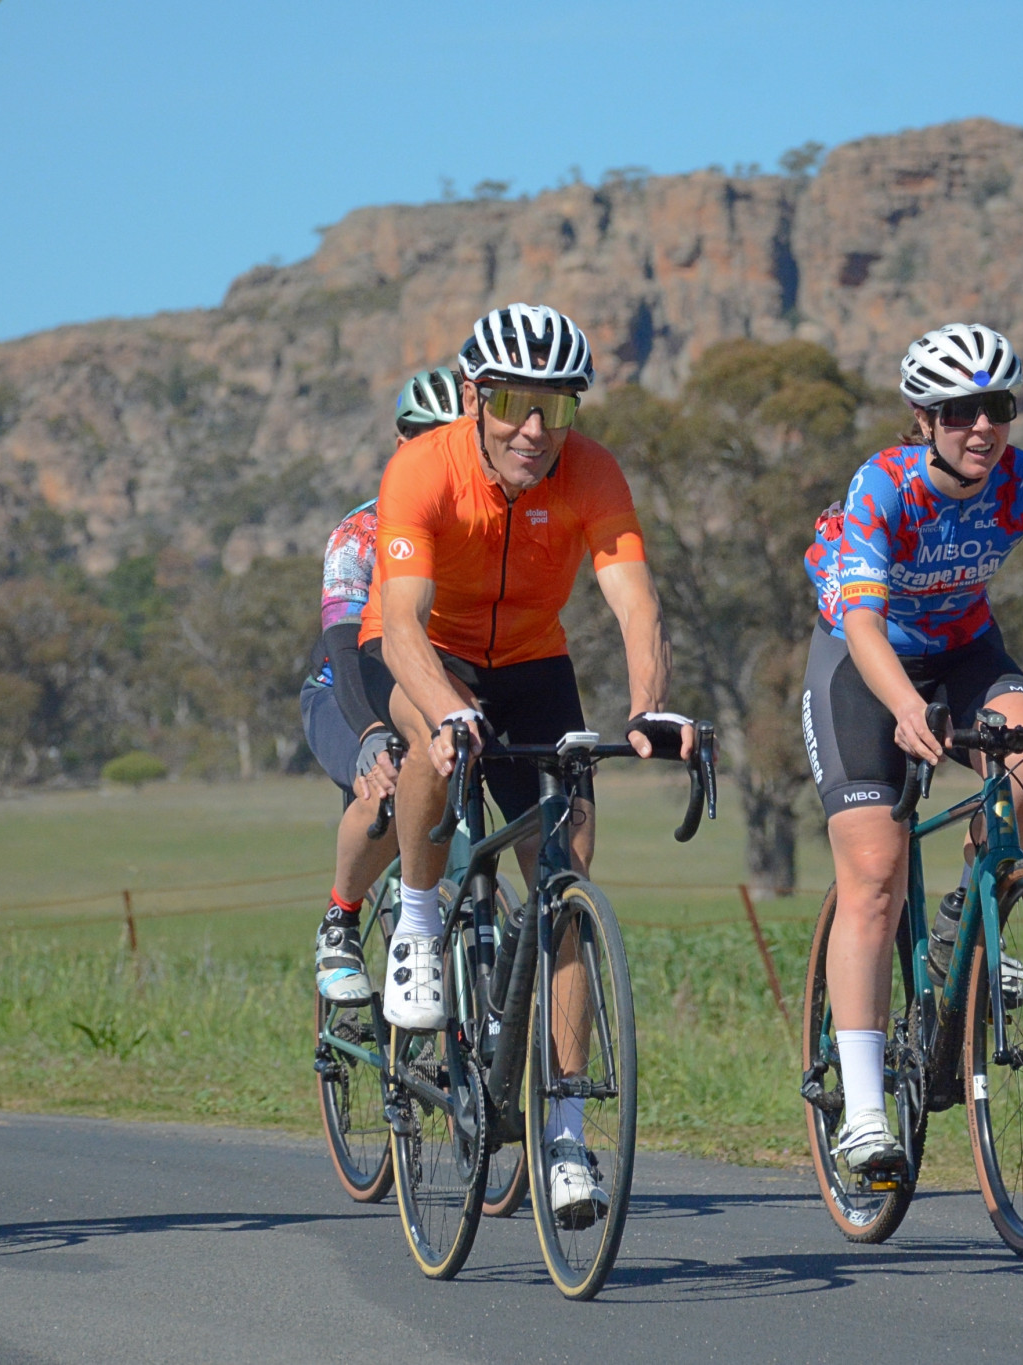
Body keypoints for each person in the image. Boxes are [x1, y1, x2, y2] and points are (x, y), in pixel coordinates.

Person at [355, 303, 696, 1219]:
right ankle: (422, 925)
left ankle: (567, 1138)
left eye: (558, 407)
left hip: (534, 663)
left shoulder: (591, 473)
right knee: (438, 736)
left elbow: (634, 602)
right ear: (476, 395)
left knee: (564, 884)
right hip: (426, 646)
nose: (535, 430)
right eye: (512, 401)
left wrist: (649, 707)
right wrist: (450, 708)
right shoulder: (421, 469)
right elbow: (395, 623)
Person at [800, 323, 1023, 1174]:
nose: (981, 428)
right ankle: (860, 1107)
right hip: (864, 657)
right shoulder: (881, 486)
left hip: (963, 647)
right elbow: (857, 619)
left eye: (996, 408)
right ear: (923, 420)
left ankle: (969, 914)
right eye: (959, 411)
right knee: (877, 871)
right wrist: (901, 706)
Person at [303, 366, 463, 1003]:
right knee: (387, 789)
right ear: (401, 444)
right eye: (424, 438)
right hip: (348, 688)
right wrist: (371, 733)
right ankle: (340, 920)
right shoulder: (360, 532)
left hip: (428, 685)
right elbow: (345, 648)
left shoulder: (483, 527)